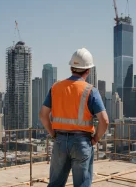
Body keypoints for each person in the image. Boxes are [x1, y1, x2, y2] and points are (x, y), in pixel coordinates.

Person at [39, 48, 109, 187]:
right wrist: (95, 138)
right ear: (88, 70)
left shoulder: (56, 87)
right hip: (82, 142)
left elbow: (43, 115)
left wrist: (53, 133)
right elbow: (105, 121)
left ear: (71, 68)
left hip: (60, 140)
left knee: (55, 184)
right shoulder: (90, 91)